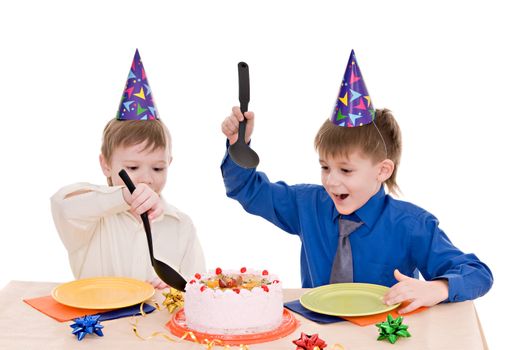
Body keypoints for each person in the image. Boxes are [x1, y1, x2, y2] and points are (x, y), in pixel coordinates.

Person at [220, 50, 492, 313]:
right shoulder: (308, 205)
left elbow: (477, 273)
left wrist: (439, 288)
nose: (331, 180)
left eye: (346, 170)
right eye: (325, 166)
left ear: (383, 170)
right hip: (315, 338)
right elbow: (246, 189)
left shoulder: (412, 225)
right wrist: (238, 146)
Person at [51, 50, 205, 289]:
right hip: (96, 324)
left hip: (155, 326)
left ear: (169, 164)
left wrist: (178, 291)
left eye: (157, 168)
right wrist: (124, 196)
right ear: (106, 165)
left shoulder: (180, 225)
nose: (146, 178)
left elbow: (199, 289)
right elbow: (63, 205)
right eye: (132, 167)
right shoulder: (92, 220)